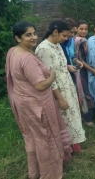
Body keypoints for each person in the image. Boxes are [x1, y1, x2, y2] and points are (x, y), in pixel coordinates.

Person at [6, 21, 72, 179]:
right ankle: (49, 174)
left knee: (33, 138)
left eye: (34, 33)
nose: (34, 37)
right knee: (45, 139)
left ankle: (35, 172)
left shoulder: (13, 52)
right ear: (17, 37)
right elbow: (41, 85)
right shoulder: (26, 58)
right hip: (37, 106)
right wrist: (52, 76)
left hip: (24, 103)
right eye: (28, 35)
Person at [36, 20, 86, 153]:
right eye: (64, 36)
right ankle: (65, 148)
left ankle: (74, 144)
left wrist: (70, 67)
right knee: (64, 118)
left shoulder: (57, 45)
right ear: (55, 32)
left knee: (72, 115)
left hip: (67, 85)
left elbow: (61, 66)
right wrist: (60, 98)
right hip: (58, 90)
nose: (66, 39)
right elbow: (48, 77)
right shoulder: (43, 49)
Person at [74, 20, 95, 127]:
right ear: (76, 29)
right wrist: (93, 70)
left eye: (86, 29)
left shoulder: (76, 40)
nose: (84, 31)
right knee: (85, 93)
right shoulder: (80, 41)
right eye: (81, 29)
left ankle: (84, 116)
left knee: (82, 92)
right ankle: (88, 118)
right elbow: (81, 60)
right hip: (79, 70)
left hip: (80, 69)